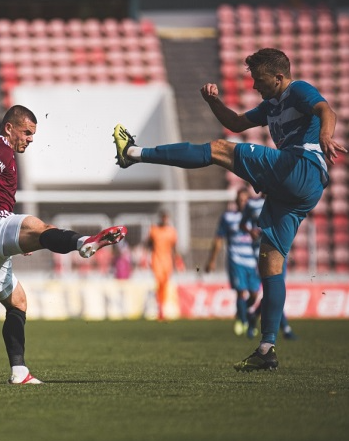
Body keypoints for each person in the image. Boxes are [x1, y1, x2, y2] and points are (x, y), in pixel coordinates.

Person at [112, 48, 346, 372]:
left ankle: (134, 153)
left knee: (218, 150)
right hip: (302, 189)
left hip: (301, 167)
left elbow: (325, 109)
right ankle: (267, 348)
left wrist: (325, 134)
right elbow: (236, 122)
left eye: (259, 80)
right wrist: (214, 103)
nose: (254, 87)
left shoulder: (297, 90)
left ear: (278, 77)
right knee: (270, 261)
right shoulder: (272, 105)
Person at [0, 105, 127, 384]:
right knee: (40, 227)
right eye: (27, 133)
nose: (30, 139)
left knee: (18, 302)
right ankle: (84, 243)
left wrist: (11, 240)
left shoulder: (3, 154)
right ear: (9, 128)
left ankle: (19, 372)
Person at [240, 190, 297, 340]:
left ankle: (254, 315)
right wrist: (250, 231)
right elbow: (242, 224)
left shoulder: (280, 201)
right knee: (272, 286)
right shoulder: (252, 203)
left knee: (274, 288)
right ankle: (285, 328)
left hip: (278, 250)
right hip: (260, 250)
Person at [204, 188, 260, 336]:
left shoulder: (256, 217)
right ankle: (245, 322)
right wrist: (212, 260)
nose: (242, 203)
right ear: (235, 202)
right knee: (241, 292)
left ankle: (242, 314)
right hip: (236, 260)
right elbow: (218, 239)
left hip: (253, 261)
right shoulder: (228, 217)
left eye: (245, 200)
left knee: (254, 294)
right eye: (240, 200)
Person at [147, 210, 180, 321]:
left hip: (168, 261)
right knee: (159, 283)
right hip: (156, 260)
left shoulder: (172, 232)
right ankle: (160, 309)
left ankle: (162, 308)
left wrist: (178, 260)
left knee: (165, 284)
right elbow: (149, 244)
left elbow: (174, 247)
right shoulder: (154, 230)